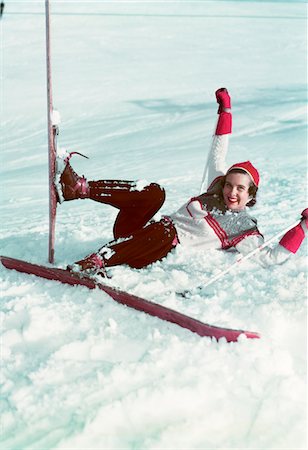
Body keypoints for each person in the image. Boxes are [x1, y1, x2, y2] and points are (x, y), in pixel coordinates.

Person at [55, 88, 307, 277]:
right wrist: (226, 111)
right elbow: (218, 150)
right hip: (141, 236)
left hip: (154, 251)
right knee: (155, 193)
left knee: (167, 230)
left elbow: (271, 258)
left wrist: (303, 227)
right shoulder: (215, 191)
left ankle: (97, 262)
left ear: (251, 195)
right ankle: (78, 188)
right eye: (230, 184)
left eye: (240, 188)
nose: (231, 191)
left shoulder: (242, 228)